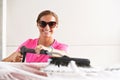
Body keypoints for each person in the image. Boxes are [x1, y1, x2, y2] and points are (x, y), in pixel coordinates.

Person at [2, 10, 68, 62]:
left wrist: (47, 50)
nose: (47, 28)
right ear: (37, 24)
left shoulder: (60, 47)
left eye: (51, 24)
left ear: (56, 25)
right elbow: (3, 63)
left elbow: (64, 55)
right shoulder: (29, 43)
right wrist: (13, 58)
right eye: (43, 23)